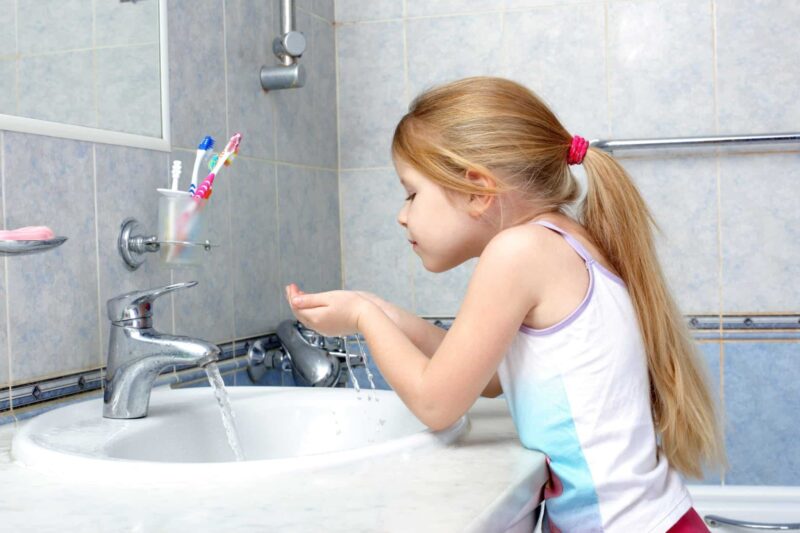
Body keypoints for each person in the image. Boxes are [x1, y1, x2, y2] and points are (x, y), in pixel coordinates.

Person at [284, 77, 725, 532]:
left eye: (412, 192)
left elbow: (437, 404)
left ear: (477, 189)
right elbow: (494, 379)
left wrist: (363, 318)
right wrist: (378, 308)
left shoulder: (518, 251)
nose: (403, 214)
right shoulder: (562, 240)